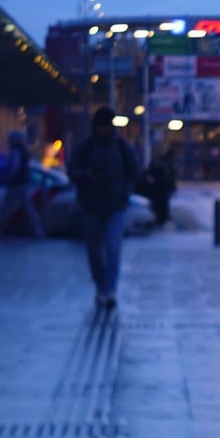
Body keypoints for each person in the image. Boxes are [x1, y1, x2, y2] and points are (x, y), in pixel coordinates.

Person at [67, 106, 140, 309]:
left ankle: (109, 289)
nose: (105, 130)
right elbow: (72, 171)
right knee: (94, 252)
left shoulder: (122, 147)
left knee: (113, 248)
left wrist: (125, 193)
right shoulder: (86, 148)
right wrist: (86, 175)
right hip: (91, 206)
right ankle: (101, 287)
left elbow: (133, 171)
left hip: (115, 205)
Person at [0, 129, 44, 238]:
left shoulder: (16, 152)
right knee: (28, 207)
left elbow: (15, 167)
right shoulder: (24, 152)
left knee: (6, 208)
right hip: (22, 183)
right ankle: (38, 230)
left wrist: (8, 177)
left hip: (16, 184)